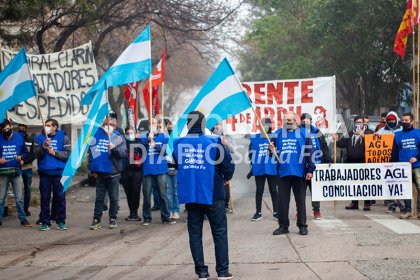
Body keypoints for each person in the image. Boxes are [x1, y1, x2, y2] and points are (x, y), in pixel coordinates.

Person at [173, 111, 235, 280]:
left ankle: (201, 272)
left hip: (192, 194)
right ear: (203, 125)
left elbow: (178, 165)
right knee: (219, 232)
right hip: (213, 193)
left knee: (195, 233)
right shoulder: (214, 142)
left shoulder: (178, 144)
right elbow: (228, 165)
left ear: (188, 125)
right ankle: (222, 271)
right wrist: (225, 178)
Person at [270, 111, 315, 236]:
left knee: (300, 201)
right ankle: (283, 226)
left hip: (299, 172)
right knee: (282, 202)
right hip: (282, 173)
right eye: (284, 120)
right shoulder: (277, 134)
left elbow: (310, 152)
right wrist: (271, 150)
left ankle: (302, 226)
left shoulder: (303, 134)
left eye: (289, 120)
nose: (286, 122)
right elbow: (272, 153)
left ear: (295, 121)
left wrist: (310, 170)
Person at [89, 116, 127, 230]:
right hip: (100, 173)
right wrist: (93, 169)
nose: (108, 126)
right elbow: (92, 154)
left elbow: (123, 154)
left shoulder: (118, 138)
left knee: (114, 198)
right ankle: (96, 219)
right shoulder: (97, 136)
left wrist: (113, 148)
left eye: (110, 124)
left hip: (113, 173)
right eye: (106, 124)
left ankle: (113, 218)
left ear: (114, 126)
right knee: (99, 198)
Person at [34, 119, 71, 231]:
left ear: (55, 127)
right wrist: (44, 146)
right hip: (45, 173)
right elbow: (36, 154)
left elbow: (68, 154)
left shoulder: (64, 137)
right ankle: (45, 222)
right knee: (45, 198)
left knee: (60, 198)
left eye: (49, 125)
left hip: (59, 173)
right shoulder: (39, 138)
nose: (47, 127)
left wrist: (55, 153)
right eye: (45, 125)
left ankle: (61, 221)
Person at [139, 118, 174, 225]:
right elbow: (139, 148)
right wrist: (148, 139)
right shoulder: (144, 136)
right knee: (147, 194)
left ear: (157, 125)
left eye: (153, 123)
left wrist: (156, 145)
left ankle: (166, 217)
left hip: (160, 169)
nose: (151, 125)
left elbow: (166, 151)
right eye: (149, 124)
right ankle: (147, 218)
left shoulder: (164, 137)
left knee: (163, 194)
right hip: (148, 169)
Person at [334, 115, 374, 211]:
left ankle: (367, 203)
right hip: (352, 163)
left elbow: (374, 145)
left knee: (365, 183)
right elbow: (342, 144)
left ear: (364, 123)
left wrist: (364, 137)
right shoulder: (350, 133)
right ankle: (354, 202)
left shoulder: (369, 133)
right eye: (357, 122)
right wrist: (336, 140)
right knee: (354, 183)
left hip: (365, 163)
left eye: (361, 122)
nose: (359, 124)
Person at [0, 120, 31, 227]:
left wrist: (21, 158)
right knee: (1, 197)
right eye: (4, 130)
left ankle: (23, 219)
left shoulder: (19, 137)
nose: (6, 131)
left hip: (16, 172)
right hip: (3, 173)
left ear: (11, 127)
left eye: (8, 129)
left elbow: (26, 154)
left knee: (19, 198)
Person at [300, 113, 330, 219]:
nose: (305, 124)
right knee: (300, 192)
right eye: (303, 122)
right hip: (302, 167)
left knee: (315, 191)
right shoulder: (298, 132)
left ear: (311, 122)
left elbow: (324, 146)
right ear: (300, 122)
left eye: (307, 122)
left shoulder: (317, 132)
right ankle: (300, 211)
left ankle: (316, 211)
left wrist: (327, 160)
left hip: (316, 166)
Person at [391, 112, 420, 219]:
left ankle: (419, 211)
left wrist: (416, 157)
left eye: (407, 120)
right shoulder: (397, 135)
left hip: (417, 165)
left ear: (412, 121)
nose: (404, 122)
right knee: (406, 190)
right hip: (403, 167)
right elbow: (394, 152)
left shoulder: (418, 133)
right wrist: (392, 165)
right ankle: (407, 211)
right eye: (403, 120)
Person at [248, 118, 278, 221]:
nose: (264, 127)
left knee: (273, 190)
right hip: (259, 168)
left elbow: (278, 152)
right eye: (261, 125)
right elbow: (250, 153)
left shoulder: (274, 137)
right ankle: (258, 212)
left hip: (271, 168)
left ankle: (276, 211)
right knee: (259, 190)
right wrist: (252, 165)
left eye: (266, 125)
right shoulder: (254, 138)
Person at [376, 111, 404, 213]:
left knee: (400, 184)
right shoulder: (381, 131)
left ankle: (402, 205)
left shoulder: (402, 130)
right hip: (386, 162)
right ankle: (391, 205)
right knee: (388, 184)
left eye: (393, 120)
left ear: (396, 119)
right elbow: (372, 141)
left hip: (399, 161)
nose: (391, 121)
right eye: (389, 120)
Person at [212, 121, 235, 213]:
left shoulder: (227, 137)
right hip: (216, 165)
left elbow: (233, 150)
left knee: (226, 186)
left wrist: (226, 144)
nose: (218, 126)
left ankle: (226, 204)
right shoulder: (211, 137)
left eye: (220, 124)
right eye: (216, 124)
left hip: (225, 165)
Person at [121, 127, 142, 221]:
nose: (129, 134)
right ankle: (131, 212)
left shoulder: (139, 143)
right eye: (128, 133)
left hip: (136, 171)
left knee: (136, 192)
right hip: (125, 171)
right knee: (128, 192)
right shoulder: (123, 143)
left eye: (131, 132)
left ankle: (135, 212)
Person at [17, 123, 36, 216]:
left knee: (27, 189)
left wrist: (24, 161)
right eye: (19, 128)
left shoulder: (30, 140)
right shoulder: (15, 139)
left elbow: (33, 154)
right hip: (17, 168)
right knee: (18, 190)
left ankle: (25, 209)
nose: (21, 130)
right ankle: (20, 210)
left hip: (27, 168)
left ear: (26, 129)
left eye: (23, 128)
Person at [165, 121, 180, 219]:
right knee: (168, 192)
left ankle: (176, 210)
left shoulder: (178, 139)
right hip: (166, 169)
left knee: (176, 192)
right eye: (169, 129)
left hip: (176, 169)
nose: (170, 130)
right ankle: (170, 210)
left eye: (172, 128)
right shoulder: (165, 139)